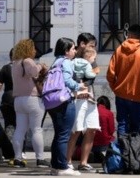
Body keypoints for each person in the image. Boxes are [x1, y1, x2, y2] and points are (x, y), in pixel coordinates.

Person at [48, 37, 85, 176]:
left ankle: (56, 166)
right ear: (66, 51)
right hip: (64, 100)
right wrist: (79, 86)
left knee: (58, 135)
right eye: (73, 48)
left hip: (52, 102)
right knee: (64, 135)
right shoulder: (66, 62)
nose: (75, 51)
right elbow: (68, 80)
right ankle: (63, 166)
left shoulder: (55, 62)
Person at [10, 38, 49, 168]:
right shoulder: (28, 61)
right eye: (33, 48)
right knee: (36, 129)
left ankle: (17, 158)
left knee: (20, 129)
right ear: (28, 49)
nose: (35, 51)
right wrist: (41, 65)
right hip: (32, 99)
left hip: (18, 100)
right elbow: (34, 72)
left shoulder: (15, 63)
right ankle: (40, 158)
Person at [106, 24, 140, 136]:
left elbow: (110, 74)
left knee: (122, 124)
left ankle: (123, 152)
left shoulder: (119, 49)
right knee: (136, 126)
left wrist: (115, 88)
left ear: (128, 34)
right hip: (138, 95)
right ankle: (134, 151)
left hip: (121, 94)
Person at [66, 33, 100, 173]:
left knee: (91, 128)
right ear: (82, 44)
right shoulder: (72, 57)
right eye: (91, 45)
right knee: (76, 130)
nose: (93, 49)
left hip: (90, 97)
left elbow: (94, 74)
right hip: (76, 98)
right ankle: (67, 161)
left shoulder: (91, 58)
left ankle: (83, 162)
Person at [0, 49, 16, 132]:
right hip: (19, 99)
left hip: (7, 100)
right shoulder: (22, 68)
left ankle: (8, 143)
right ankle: (19, 144)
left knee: (8, 125)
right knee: (20, 126)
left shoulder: (5, 68)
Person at [91, 96, 116, 163]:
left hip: (91, 142)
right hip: (105, 142)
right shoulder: (109, 113)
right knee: (115, 140)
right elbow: (111, 130)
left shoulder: (91, 111)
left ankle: (96, 154)